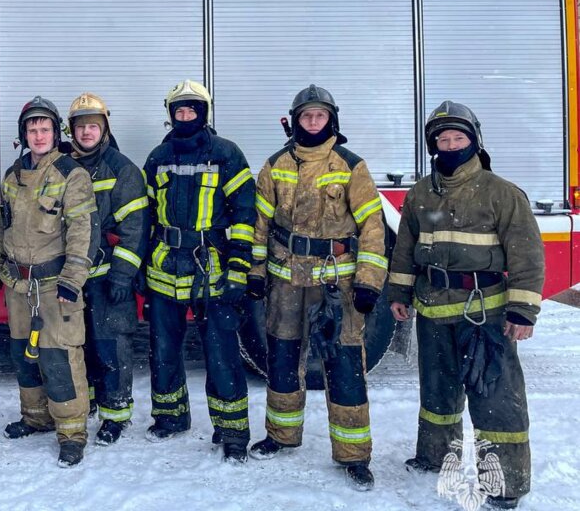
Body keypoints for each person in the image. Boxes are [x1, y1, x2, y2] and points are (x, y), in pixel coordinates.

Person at [388, 101, 543, 510]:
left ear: (473, 141)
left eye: (458, 137)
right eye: (443, 138)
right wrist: (398, 295)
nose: (451, 144)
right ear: (433, 144)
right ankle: (434, 457)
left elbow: (527, 256)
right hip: (433, 312)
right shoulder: (420, 193)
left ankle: (506, 483)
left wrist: (522, 312)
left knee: (495, 396)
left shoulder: (502, 193)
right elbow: (404, 251)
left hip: (485, 315)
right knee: (437, 394)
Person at [246, 84, 385, 490]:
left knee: (344, 366)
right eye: (306, 116)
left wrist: (368, 282)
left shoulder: (351, 166)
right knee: (283, 360)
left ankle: (353, 454)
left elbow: (372, 227)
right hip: (287, 282)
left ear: (331, 120)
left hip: (335, 284)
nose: (312, 122)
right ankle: (281, 435)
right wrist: (256, 273)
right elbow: (259, 228)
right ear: (295, 121)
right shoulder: (274, 166)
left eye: (319, 116)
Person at [141, 79, 256, 462]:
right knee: (163, 348)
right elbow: (144, 217)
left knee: (221, 351)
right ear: (171, 115)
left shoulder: (226, 154)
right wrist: (141, 267)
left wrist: (239, 267)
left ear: (203, 113)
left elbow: (244, 214)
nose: (185, 116)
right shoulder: (158, 157)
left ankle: (232, 430)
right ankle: (170, 417)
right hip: (164, 266)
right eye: (179, 110)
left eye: (191, 110)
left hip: (212, 268)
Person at [0, 96, 99, 467]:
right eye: (31, 129)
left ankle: (71, 432)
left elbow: (84, 231)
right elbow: (1, 226)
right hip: (19, 286)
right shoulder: (12, 176)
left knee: (59, 358)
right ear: (23, 135)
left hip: (55, 287)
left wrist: (72, 279)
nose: (38, 135)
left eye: (44, 129)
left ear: (55, 133)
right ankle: (36, 418)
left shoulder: (71, 174)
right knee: (23, 355)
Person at [64, 92, 148, 445]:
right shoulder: (63, 166)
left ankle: (116, 414)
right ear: (72, 131)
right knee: (79, 345)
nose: (87, 132)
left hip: (108, 275)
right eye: (81, 126)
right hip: (72, 276)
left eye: (93, 126)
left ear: (105, 129)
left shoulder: (122, 168)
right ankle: (94, 403)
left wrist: (122, 275)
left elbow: (135, 228)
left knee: (111, 345)